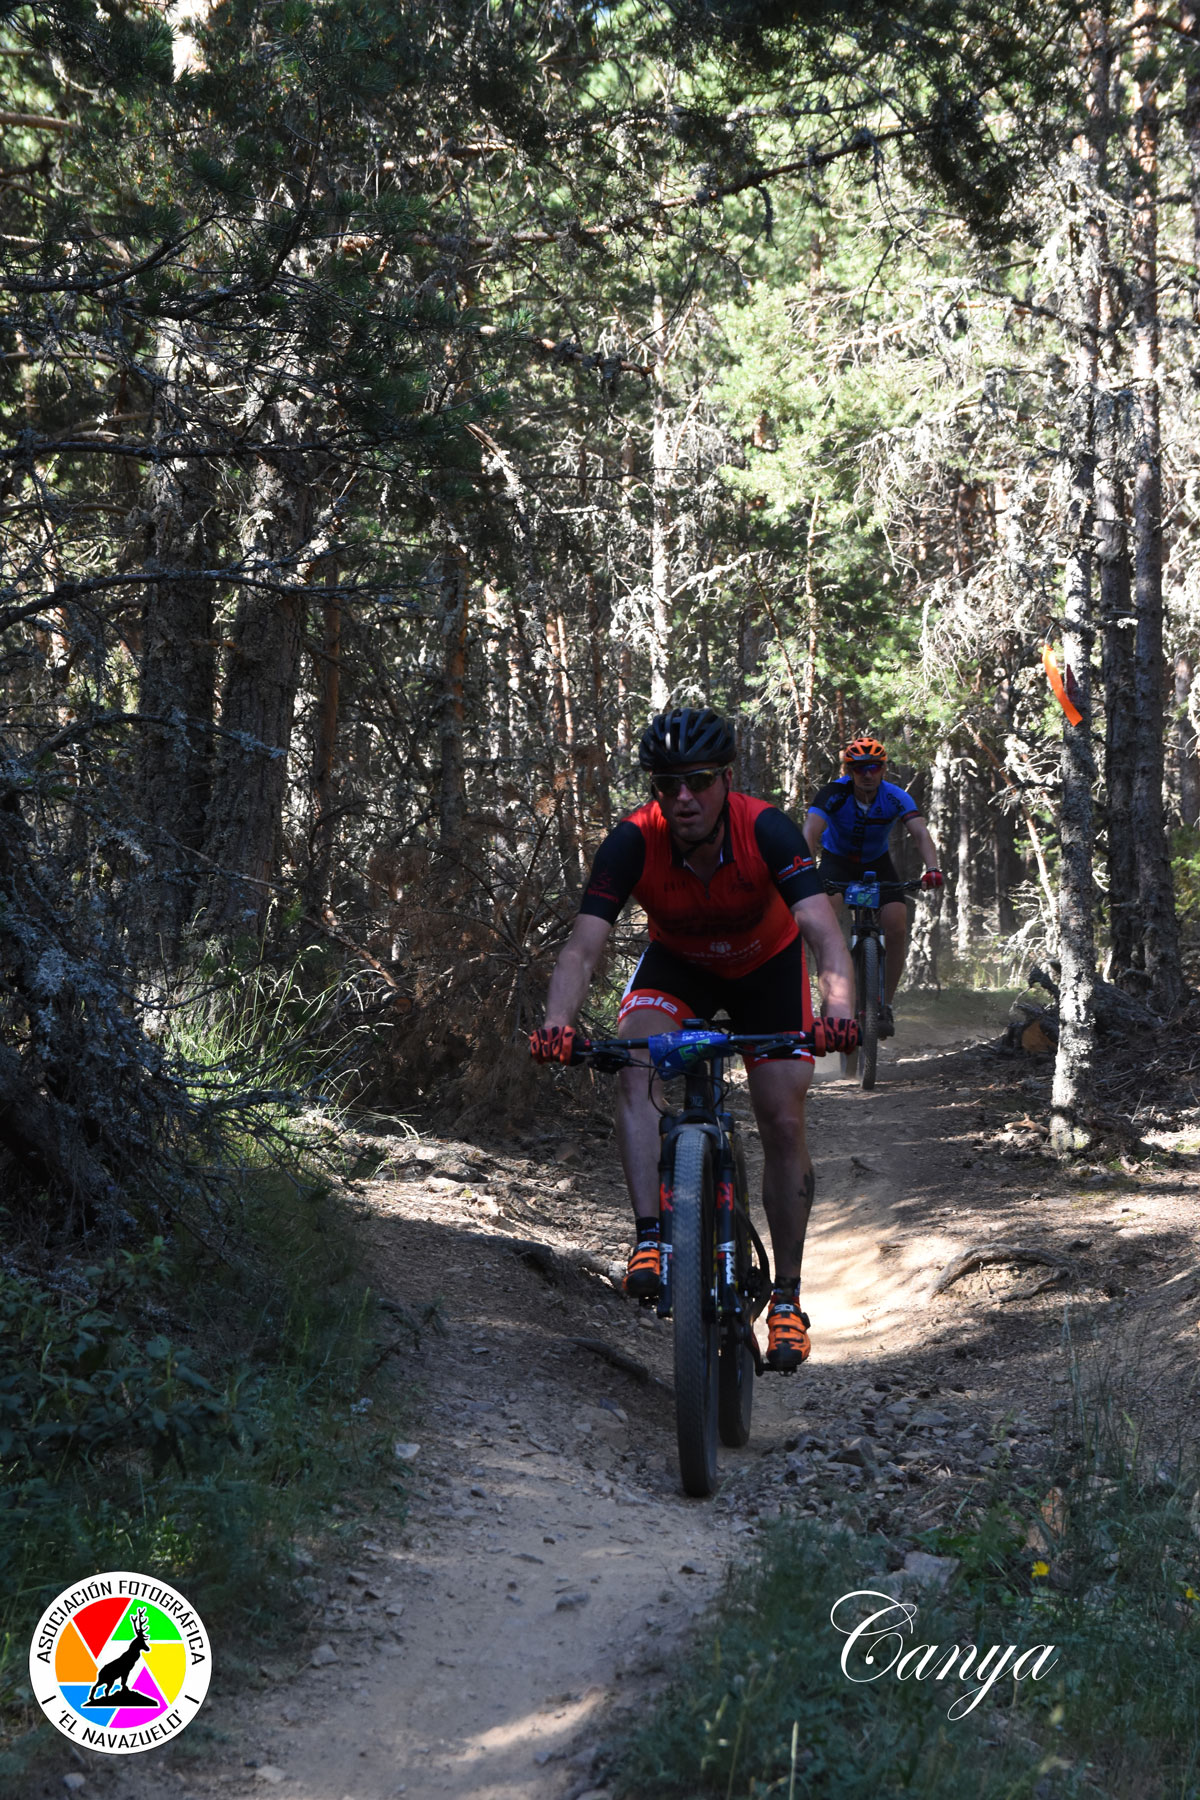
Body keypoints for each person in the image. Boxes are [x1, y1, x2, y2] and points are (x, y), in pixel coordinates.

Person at [530, 707, 856, 1373]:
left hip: (767, 966)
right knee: (635, 1064)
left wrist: (838, 1010)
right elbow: (582, 947)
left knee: (782, 1116)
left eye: (699, 780)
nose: (683, 797)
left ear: (726, 780)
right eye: (667, 784)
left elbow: (823, 932)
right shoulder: (632, 840)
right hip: (679, 967)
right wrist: (558, 1023)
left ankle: (788, 1298)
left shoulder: (766, 829)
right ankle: (651, 1237)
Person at [802, 737, 944, 1036]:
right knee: (824, 921)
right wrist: (803, 867)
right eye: (860, 768)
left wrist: (932, 868)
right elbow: (811, 831)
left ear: (883, 769)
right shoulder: (833, 794)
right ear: (849, 771)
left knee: (896, 925)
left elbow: (920, 833)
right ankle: (831, 997)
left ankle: (885, 1005)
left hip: (876, 864)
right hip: (836, 862)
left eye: (874, 768)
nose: (867, 774)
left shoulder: (895, 796)